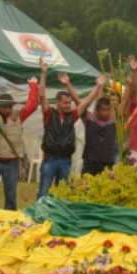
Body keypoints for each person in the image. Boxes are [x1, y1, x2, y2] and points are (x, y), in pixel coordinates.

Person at [36, 58, 105, 198]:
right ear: (58, 103)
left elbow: (86, 102)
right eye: (66, 103)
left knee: (62, 194)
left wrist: (98, 86)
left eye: (69, 103)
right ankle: (39, 216)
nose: (69, 105)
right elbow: (42, 96)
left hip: (65, 160)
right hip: (50, 159)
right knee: (44, 192)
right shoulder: (49, 114)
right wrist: (43, 74)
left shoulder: (71, 116)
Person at [0, 69, 39, 218]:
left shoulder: (18, 116)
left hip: (11, 163)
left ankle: (10, 221)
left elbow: (32, 105)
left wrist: (33, 86)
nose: (6, 109)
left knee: (11, 196)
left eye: (8, 106)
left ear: (11, 107)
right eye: (3, 106)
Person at [81, 96, 116, 176]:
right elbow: (80, 105)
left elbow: (125, 102)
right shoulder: (89, 120)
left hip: (108, 164)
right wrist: (68, 85)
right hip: (90, 164)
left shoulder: (113, 122)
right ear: (97, 110)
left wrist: (130, 86)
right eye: (103, 109)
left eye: (108, 109)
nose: (106, 112)